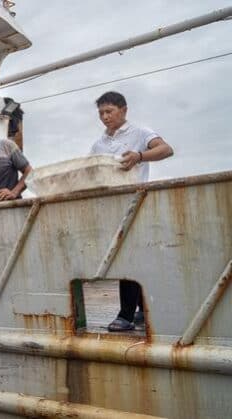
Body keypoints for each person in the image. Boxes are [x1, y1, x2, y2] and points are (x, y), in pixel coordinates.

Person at [89, 91, 174, 332]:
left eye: (110, 112)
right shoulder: (99, 144)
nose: (105, 117)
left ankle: (125, 315)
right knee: (123, 258)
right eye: (101, 113)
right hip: (110, 207)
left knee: (129, 259)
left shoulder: (140, 132)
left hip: (135, 205)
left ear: (123, 110)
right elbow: (91, 171)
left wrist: (140, 156)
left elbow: (166, 150)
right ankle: (140, 309)